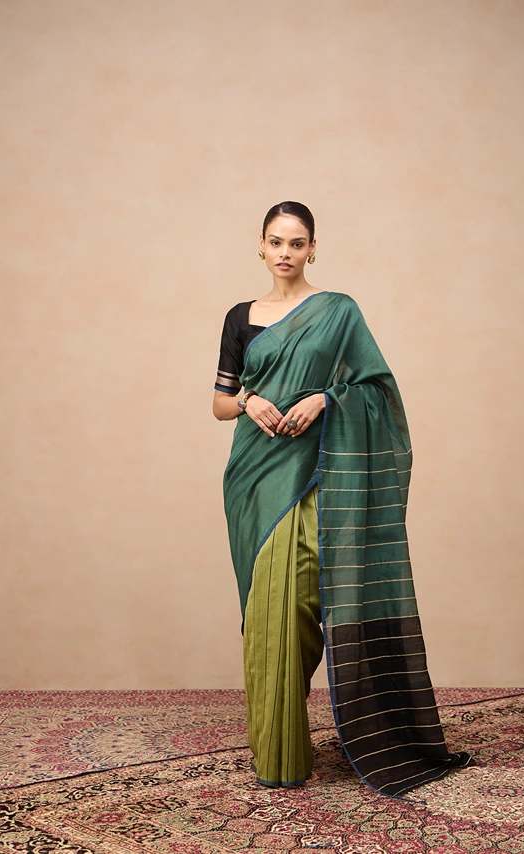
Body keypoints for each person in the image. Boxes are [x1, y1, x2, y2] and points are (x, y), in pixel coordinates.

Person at [213, 201, 471, 797]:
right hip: (256, 478)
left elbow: (378, 389)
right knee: (271, 613)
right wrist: (250, 401)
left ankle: (367, 726)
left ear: (312, 249)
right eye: (275, 241)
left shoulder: (339, 311)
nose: (285, 253)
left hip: (321, 476)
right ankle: (278, 754)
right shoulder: (239, 318)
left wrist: (326, 400)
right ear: (260, 246)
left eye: (296, 243)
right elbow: (221, 403)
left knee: (305, 598)